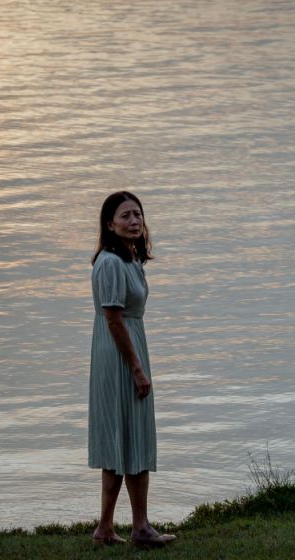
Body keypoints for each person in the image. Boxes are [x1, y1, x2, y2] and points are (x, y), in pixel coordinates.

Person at [88, 191, 176, 549]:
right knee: (129, 437)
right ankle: (137, 527)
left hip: (126, 348)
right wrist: (137, 368)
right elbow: (113, 319)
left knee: (125, 436)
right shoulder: (110, 263)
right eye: (125, 216)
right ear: (110, 224)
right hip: (120, 353)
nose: (134, 221)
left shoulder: (130, 259)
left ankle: (107, 528)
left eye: (137, 214)